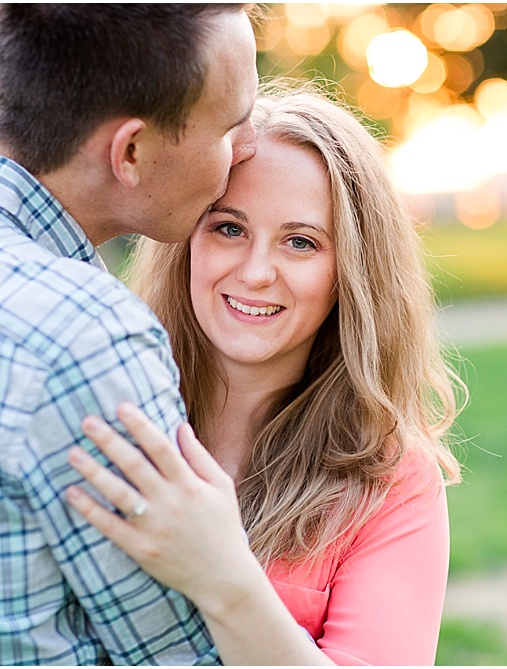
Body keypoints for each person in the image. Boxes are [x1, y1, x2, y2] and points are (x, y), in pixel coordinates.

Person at [64, 83, 466, 665]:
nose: (255, 272)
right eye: (229, 228)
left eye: (300, 243)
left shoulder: (392, 481)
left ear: (351, 273)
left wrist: (221, 575)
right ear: (186, 240)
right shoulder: (106, 415)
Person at [0, 4, 258, 665]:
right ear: (132, 151)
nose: (245, 148)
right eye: (231, 125)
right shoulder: (82, 337)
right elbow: (185, 657)